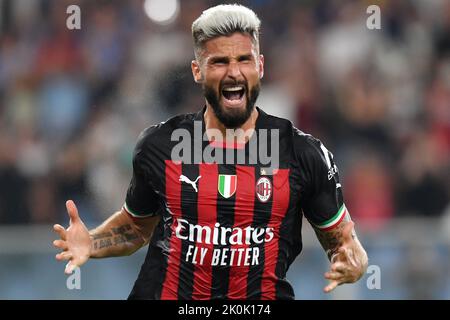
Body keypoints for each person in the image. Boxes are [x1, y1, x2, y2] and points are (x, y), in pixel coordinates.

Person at [53, 4, 368, 300]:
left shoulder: (305, 154)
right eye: (219, 62)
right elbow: (136, 227)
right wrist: (92, 241)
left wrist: (355, 262)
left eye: (244, 60)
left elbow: (343, 244)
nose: (233, 72)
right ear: (197, 71)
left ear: (260, 66)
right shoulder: (160, 145)